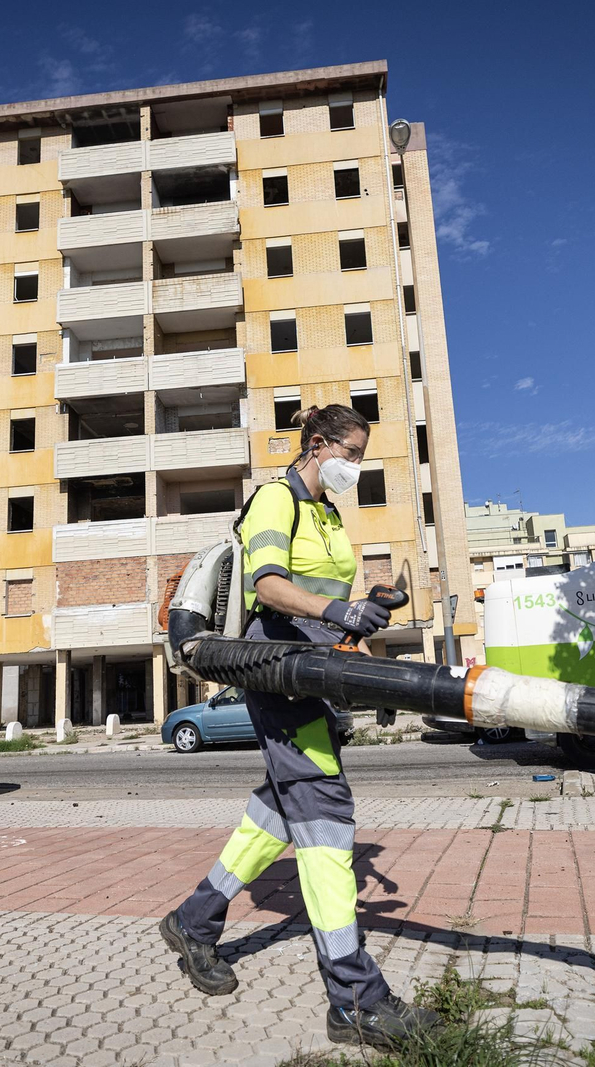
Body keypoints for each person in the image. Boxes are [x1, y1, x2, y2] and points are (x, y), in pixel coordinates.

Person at [158, 404, 442, 1049]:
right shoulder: (274, 502)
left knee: (280, 811)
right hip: (277, 672)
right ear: (318, 445)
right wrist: (336, 606)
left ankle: (193, 921)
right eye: (353, 453)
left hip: (314, 675)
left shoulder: (325, 513)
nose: (356, 466)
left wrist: (364, 607)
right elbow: (271, 588)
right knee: (325, 814)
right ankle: (355, 999)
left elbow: (320, 606)